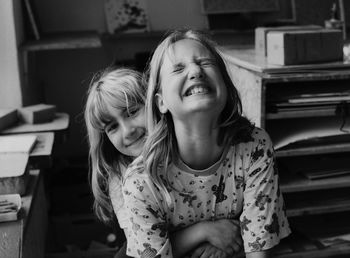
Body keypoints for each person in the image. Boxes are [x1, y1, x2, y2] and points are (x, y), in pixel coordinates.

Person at [122, 29, 291, 258]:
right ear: (161, 103)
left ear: (225, 87)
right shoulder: (141, 182)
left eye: (205, 62)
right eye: (179, 68)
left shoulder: (253, 147)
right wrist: (203, 237)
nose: (195, 71)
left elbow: (259, 249)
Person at [84, 67, 243, 258]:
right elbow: (146, 247)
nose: (127, 131)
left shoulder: (187, 143)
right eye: (113, 127)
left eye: (132, 112)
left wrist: (220, 239)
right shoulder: (121, 176)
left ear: (156, 103)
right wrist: (204, 232)